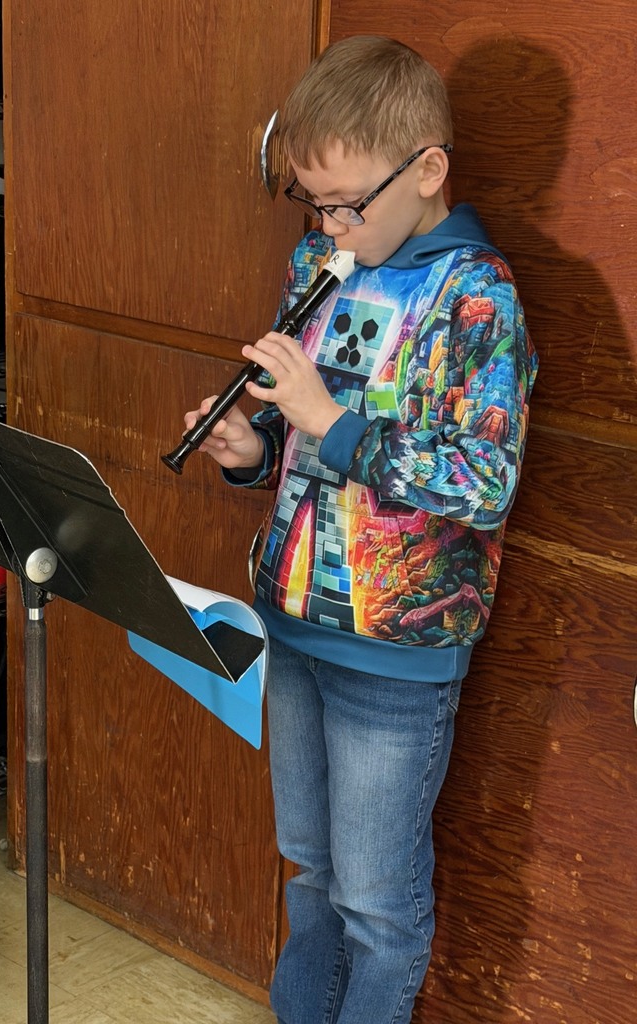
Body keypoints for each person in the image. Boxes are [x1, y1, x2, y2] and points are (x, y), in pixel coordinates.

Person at [181, 35, 538, 1024]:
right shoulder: (321, 263)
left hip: (398, 654)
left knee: (376, 904)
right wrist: (256, 455)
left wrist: (329, 424)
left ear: (427, 170)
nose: (330, 225)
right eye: (313, 203)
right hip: (293, 624)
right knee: (309, 873)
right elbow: (308, 453)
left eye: (347, 204)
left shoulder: (478, 298)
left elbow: (481, 479)